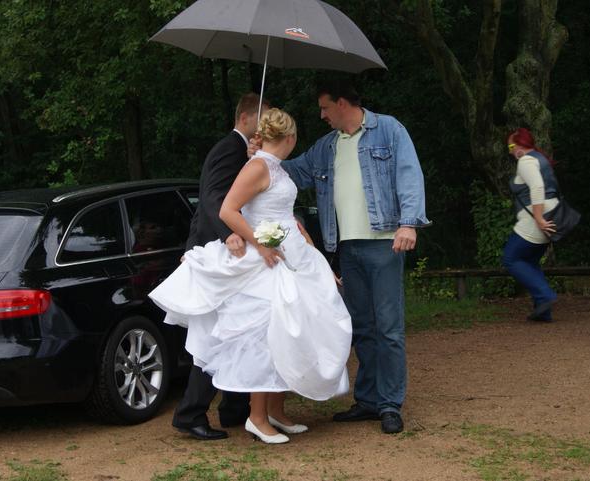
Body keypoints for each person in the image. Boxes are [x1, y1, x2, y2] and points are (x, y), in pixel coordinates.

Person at [150, 108, 352, 445]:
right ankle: (256, 418)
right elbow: (227, 209)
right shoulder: (257, 166)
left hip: (291, 250)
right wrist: (260, 243)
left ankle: (275, 411)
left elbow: (286, 215)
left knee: (295, 328)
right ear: (291, 137)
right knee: (268, 333)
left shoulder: (274, 166)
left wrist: (311, 249)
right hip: (267, 256)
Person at [279, 80, 431, 434]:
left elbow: (410, 175)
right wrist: (262, 155)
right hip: (346, 248)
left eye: (325, 107)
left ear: (342, 103)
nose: (322, 115)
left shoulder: (388, 130)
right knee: (361, 327)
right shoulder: (326, 146)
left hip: (385, 243)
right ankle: (367, 400)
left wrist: (409, 223)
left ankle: (390, 404)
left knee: (388, 328)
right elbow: (294, 172)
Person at [170, 93, 268, 441]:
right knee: (218, 333)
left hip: (226, 251)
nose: (265, 124)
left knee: (235, 329)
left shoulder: (242, 151)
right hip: (220, 251)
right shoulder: (229, 148)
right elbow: (213, 198)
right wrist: (228, 235)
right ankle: (191, 412)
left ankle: (234, 407)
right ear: (245, 118)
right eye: (262, 117)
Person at [502, 128, 559, 322]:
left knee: (511, 258)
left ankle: (545, 296)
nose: (510, 151)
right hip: (552, 216)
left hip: (535, 221)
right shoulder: (541, 159)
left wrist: (539, 218)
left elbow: (537, 187)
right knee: (530, 262)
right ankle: (543, 311)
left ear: (521, 145)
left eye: (511, 146)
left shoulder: (526, 161)